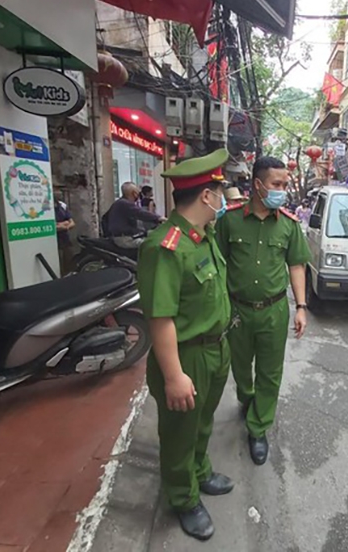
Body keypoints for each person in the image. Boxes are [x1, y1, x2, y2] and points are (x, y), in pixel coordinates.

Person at [137, 149, 234, 542]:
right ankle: (183, 497)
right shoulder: (167, 247)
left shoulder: (203, 238)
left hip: (215, 349)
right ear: (207, 197)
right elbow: (160, 319)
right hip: (187, 356)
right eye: (220, 190)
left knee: (203, 422)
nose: (225, 197)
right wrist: (174, 375)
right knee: (179, 432)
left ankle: (200, 471)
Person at [215, 156, 312, 465]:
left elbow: (296, 265)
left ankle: (258, 428)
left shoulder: (288, 224)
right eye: (277, 184)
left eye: (285, 185)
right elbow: (218, 265)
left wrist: (301, 307)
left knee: (270, 372)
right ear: (257, 185)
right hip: (237, 310)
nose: (282, 190)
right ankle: (247, 400)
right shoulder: (229, 220)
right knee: (241, 367)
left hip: (274, 311)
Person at [106, 182, 165, 249]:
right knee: (152, 245)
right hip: (125, 239)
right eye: (138, 192)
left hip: (128, 236)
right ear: (134, 193)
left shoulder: (119, 203)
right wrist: (159, 218)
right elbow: (140, 213)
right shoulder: (124, 203)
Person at [54, 189, 75, 274]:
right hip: (55, 241)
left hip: (65, 239)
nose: (59, 195)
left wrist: (64, 226)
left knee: (69, 261)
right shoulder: (46, 207)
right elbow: (51, 226)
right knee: (58, 265)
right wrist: (64, 224)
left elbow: (72, 223)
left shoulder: (62, 206)